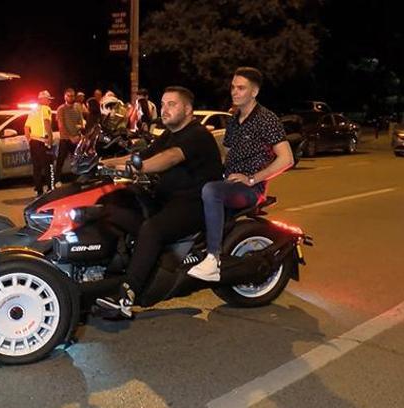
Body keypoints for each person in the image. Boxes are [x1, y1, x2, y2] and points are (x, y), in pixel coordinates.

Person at [94, 86, 223, 318]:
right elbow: (144, 155)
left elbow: (167, 158)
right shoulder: (169, 134)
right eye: (162, 104)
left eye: (171, 104)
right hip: (165, 199)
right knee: (117, 204)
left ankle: (128, 293)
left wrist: (137, 167)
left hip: (193, 205)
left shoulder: (197, 134)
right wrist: (105, 163)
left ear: (188, 108)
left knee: (152, 229)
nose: (164, 109)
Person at [187, 67, 293, 281]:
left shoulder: (266, 119)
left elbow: (286, 159)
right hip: (230, 184)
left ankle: (212, 259)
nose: (234, 92)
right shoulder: (235, 120)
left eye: (241, 88)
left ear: (254, 92)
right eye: (233, 87)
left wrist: (252, 179)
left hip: (250, 190)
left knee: (211, 191)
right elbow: (227, 155)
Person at [24, 90, 55, 195]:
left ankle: (38, 190)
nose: (50, 102)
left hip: (34, 142)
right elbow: (47, 123)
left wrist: (29, 139)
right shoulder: (46, 109)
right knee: (48, 165)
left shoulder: (33, 110)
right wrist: (50, 138)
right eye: (48, 99)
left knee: (36, 167)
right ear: (43, 99)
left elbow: (26, 127)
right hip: (43, 142)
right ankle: (51, 188)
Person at [55, 88, 83, 183]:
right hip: (65, 139)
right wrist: (70, 137)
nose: (71, 98)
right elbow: (61, 126)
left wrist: (79, 135)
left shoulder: (78, 107)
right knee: (60, 161)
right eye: (69, 96)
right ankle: (57, 180)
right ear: (65, 97)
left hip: (76, 138)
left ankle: (77, 178)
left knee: (78, 159)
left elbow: (81, 122)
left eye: (72, 96)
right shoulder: (61, 109)